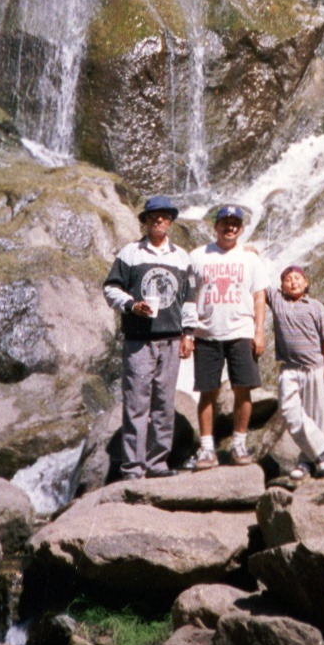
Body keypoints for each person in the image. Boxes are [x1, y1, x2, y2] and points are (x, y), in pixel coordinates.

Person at [103, 195, 194, 481]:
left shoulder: (181, 257)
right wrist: (131, 305)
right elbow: (110, 289)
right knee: (136, 403)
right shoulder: (130, 253)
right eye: (153, 216)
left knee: (165, 403)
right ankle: (132, 468)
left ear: (170, 221)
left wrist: (189, 334)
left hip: (171, 339)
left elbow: (189, 300)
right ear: (145, 221)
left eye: (164, 216)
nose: (159, 220)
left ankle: (157, 463)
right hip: (139, 340)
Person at [183, 204, 268, 469]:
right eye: (224, 223)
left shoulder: (251, 259)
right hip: (206, 332)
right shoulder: (198, 256)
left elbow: (259, 297)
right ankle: (207, 449)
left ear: (241, 229)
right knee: (207, 392)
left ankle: (239, 444)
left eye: (235, 224)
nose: (229, 227)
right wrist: (187, 332)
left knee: (243, 390)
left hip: (241, 332)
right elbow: (188, 296)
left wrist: (259, 331)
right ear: (215, 226)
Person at [267, 263, 324, 480]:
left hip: (314, 368)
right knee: (290, 411)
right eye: (288, 279)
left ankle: (307, 462)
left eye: (297, 278)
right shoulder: (278, 301)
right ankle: (323, 452)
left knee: (315, 417)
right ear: (282, 286)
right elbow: (260, 282)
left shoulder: (316, 306)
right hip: (289, 369)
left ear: (306, 283)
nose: (293, 281)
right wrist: (253, 255)